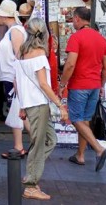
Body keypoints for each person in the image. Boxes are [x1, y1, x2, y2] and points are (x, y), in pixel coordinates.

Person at [14, 18, 68, 200]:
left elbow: (18, 82)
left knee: (49, 140)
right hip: (38, 104)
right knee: (38, 144)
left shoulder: (22, 53)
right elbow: (44, 85)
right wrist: (60, 105)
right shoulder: (39, 55)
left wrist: (22, 105)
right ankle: (30, 184)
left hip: (32, 103)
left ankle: (32, 172)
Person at [59, 7, 106, 172]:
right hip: (94, 85)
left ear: (76, 19)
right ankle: (80, 155)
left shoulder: (76, 37)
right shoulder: (102, 39)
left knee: (76, 119)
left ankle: (98, 149)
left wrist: (62, 84)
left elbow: (70, 64)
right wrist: (101, 84)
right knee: (85, 120)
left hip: (79, 85)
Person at [0, 0, 29, 158]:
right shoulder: (13, 30)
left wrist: (17, 77)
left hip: (13, 77)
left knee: (18, 111)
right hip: (11, 76)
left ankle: (31, 143)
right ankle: (21, 145)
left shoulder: (15, 31)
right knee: (17, 110)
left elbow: (19, 55)